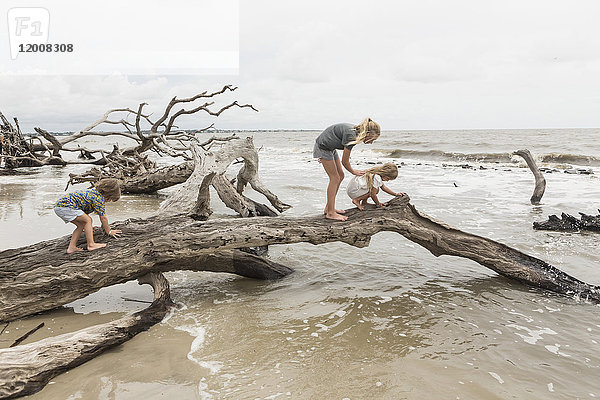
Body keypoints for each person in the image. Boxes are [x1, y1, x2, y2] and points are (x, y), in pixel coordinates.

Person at [313, 118, 381, 221]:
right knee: (334, 178)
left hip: (329, 147)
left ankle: (328, 208)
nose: (371, 143)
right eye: (372, 139)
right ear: (368, 134)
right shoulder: (352, 136)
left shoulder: (355, 132)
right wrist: (353, 171)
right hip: (323, 147)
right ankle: (330, 213)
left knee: (340, 176)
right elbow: (345, 161)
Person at [54, 178, 122, 254]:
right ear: (108, 193)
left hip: (60, 206)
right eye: (110, 199)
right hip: (65, 206)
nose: (108, 201)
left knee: (82, 225)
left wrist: (88, 227)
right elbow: (103, 218)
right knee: (88, 220)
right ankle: (91, 245)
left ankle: (71, 247)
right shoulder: (98, 199)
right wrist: (109, 231)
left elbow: (83, 210)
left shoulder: (93, 192)